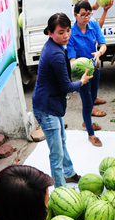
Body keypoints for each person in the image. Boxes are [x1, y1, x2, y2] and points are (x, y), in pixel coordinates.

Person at [32, 13, 90, 186]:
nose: (65, 35)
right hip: (46, 106)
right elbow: (66, 87)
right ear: (50, 33)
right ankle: (60, 189)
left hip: (52, 101)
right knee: (56, 152)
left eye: (67, 31)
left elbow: (61, 79)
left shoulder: (54, 46)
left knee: (61, 141)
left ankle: (69, 172)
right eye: (60, 32)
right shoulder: (56, 54)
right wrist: (82, 81)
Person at [67, 1, 107, 147]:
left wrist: (99, 52)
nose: (86, 17)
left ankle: (86, 121)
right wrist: (76, 72)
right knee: (87, 103)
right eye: (83, 15)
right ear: (75, 15)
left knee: (94, 97)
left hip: (95, 69)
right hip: (82, 74)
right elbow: (71, 57)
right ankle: (91, 134)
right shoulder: (71, 33)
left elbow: (103, 44)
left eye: (88, 14)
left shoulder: (94, 26)